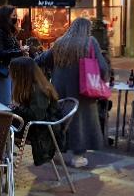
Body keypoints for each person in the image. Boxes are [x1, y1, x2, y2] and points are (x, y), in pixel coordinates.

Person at [36, 18, 108, 168]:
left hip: (59, 90)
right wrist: (104, 80)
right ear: (86, 29)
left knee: (61, 119)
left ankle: (55, 150)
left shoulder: (60, 42)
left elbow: (42, 59)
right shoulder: (90, 42)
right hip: (83, 90)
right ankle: (78, 156)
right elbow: (102, 67)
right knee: (81, 122)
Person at [9, 57, 62, 166]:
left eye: (13, 72)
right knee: (1, 125)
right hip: (34, 126)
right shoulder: (34, 86)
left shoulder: (38, 89)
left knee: (1, 129)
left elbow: (37, 115)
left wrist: (17, 108)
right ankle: (0, 167)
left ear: (22, 74)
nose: (11, 76)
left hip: (39, 130)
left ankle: (1, 168)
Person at [0, 6, 23, 105]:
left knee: (11, 102)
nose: (15, 18)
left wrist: (21, 51)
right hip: (2, 70)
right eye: (13, 15)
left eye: (16, 15)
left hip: (12, 70)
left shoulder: (10, 33)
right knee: (4, 102)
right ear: (5, 16)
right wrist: (19, 51)